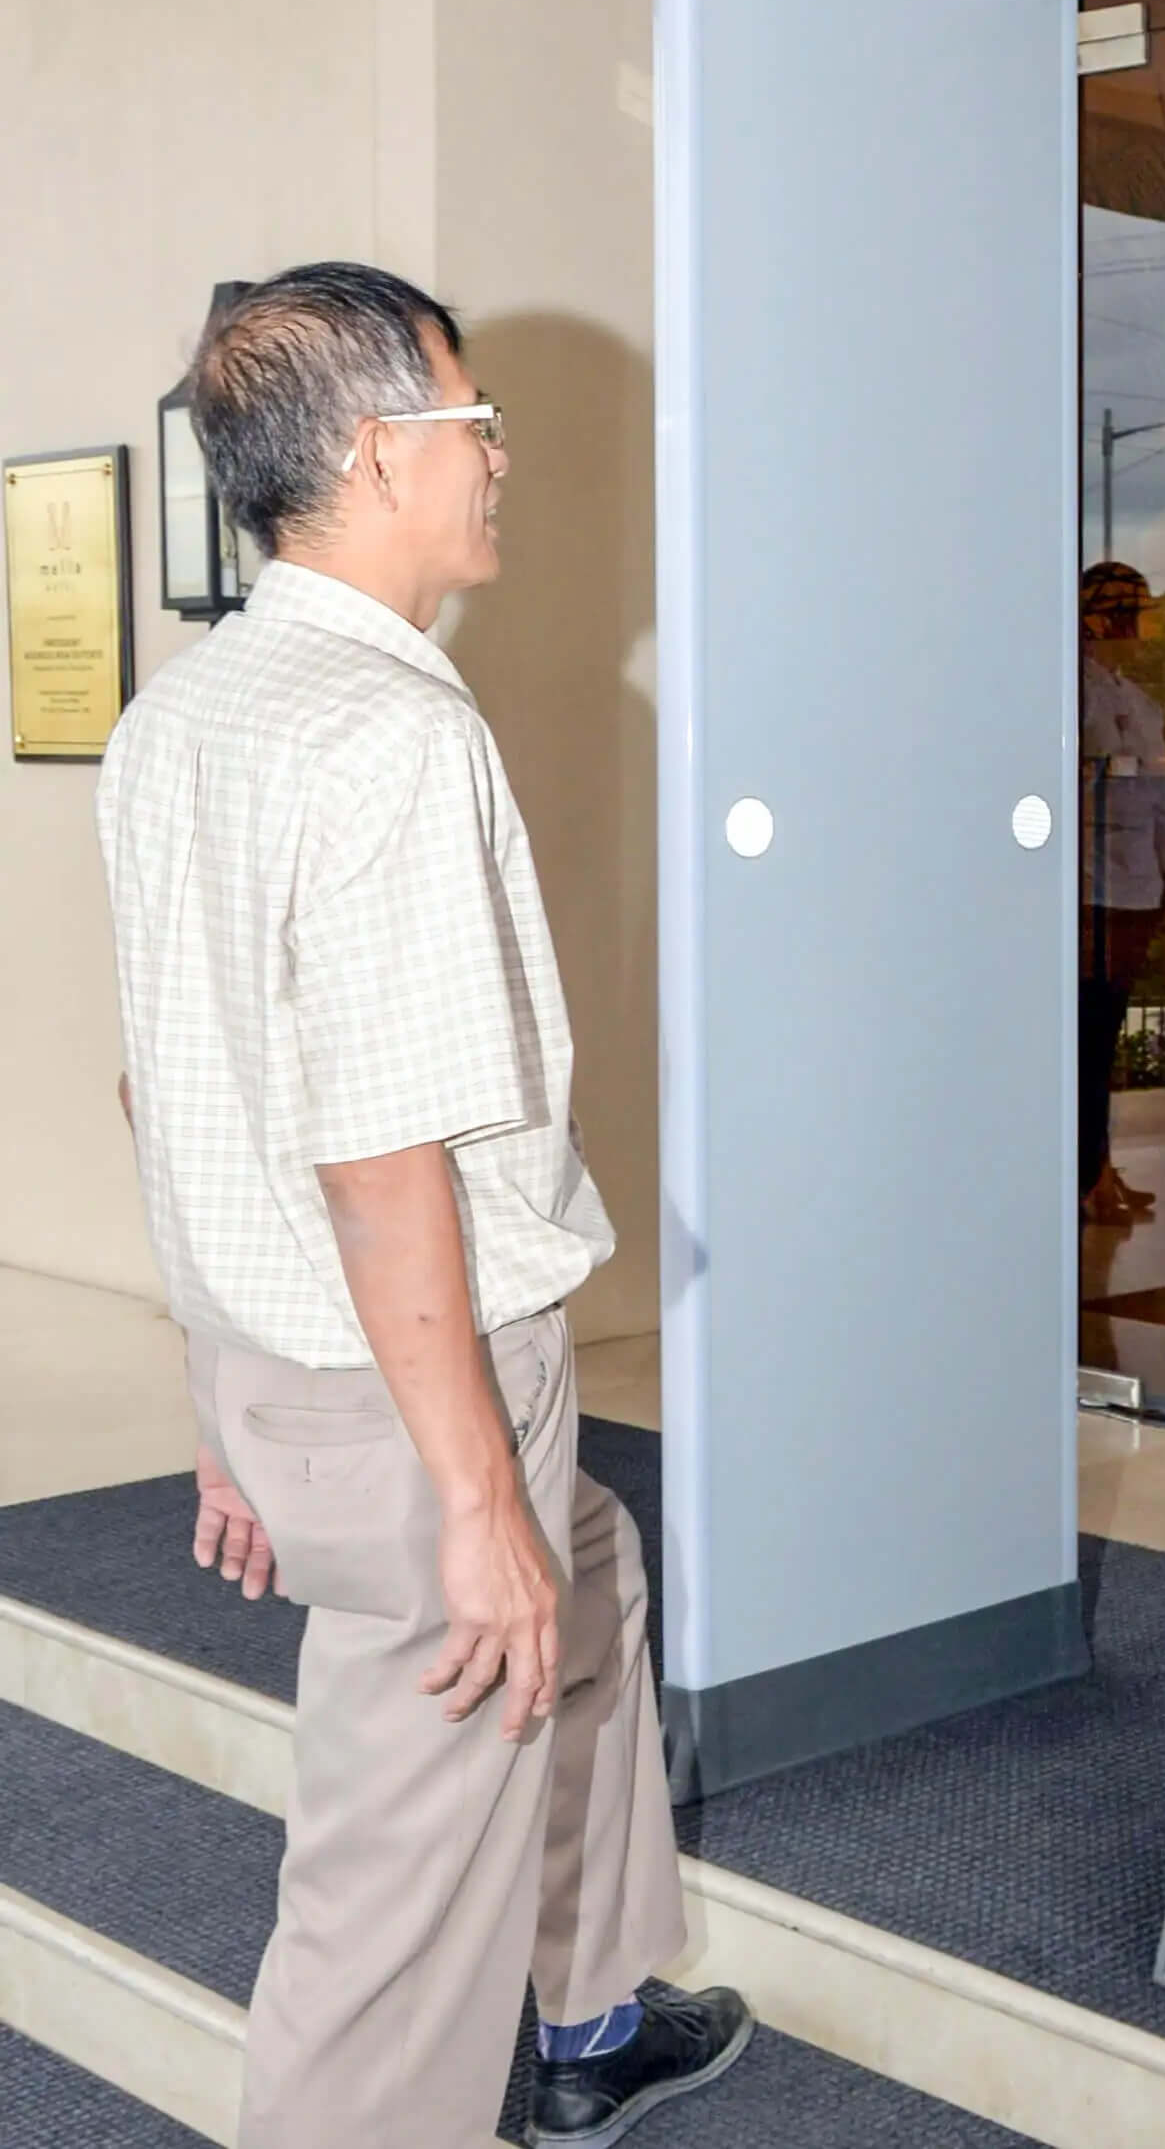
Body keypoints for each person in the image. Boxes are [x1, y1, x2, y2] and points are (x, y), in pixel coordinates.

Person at [95, 265, 750, 2149]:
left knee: (592, 1568)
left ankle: (591, 2012)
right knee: (386, 1916)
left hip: (286, 1371)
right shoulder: (389, 736)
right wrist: (474, 1498)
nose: (500, 458)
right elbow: (382, 1170)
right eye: (474, 423)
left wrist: (220, 1406)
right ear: (381, 453)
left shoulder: (183, 716)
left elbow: (177, 1098)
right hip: (413, 1378)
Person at [1079, 560, 1165, 1224]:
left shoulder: (1137, 701)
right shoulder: (1069, 692)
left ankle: (1098, 1166)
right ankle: (1085, 1173)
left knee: (1104, 1039)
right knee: (1083, 1038)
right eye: (1123, 613)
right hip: (1088, 894)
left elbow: (1161, 803)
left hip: (1137, 891)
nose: (1133, 628)